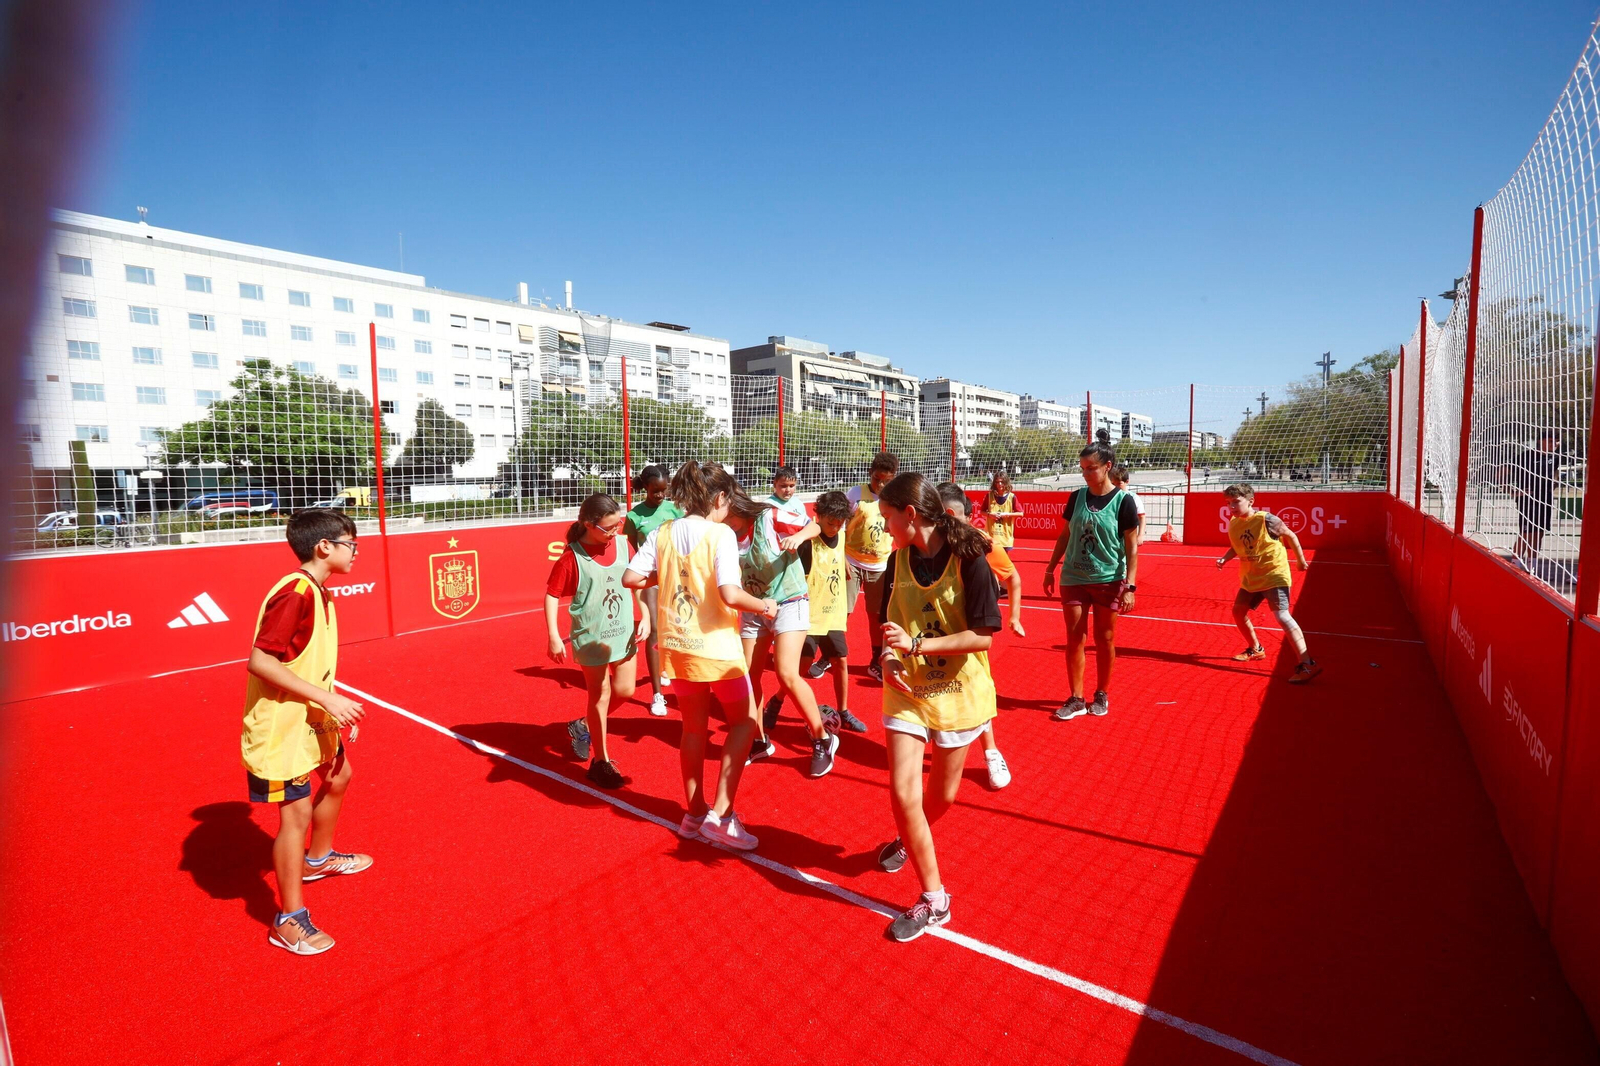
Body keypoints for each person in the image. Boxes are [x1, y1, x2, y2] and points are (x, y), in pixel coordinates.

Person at [871, 473, 1002, 942]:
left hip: (958, 691)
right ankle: (935, 899)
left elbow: (985, 635)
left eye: (887, 518)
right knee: (903, 792)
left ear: (910, 514)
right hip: (907, 691)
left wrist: (917, 645)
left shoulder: (970, 559)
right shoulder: (896, 561)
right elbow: (890, 631)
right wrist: (889, 658)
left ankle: (910, 837)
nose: (883, 528)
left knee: (938, 800)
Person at [623, 461, 774, 850]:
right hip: (718, 649)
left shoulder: (663, 531)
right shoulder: (719, 533)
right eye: (729, 500)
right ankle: (721, 816)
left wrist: (667, 575)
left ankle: (694, 812)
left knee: (692, 730)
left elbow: (631, 578)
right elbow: (729, 593)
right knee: (744, 722)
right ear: (720, 497)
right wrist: (764, 606)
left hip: (678, 646)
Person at [242, 508, 370, 955]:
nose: (357, 552)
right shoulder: (296, 592)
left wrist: (328, 707)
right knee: (293, 817)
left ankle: (317, 860)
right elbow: (261, 661)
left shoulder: (318, 592)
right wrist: (329, 699)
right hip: (281, 729)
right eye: (352, 544)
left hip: (309, 718)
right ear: (325, 547)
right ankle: (288, 919)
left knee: (339, 777)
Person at [718, 470, 839, 777]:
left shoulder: (770, 516)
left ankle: (822, 738)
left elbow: (814, 526)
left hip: (789, 601)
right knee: (748, 677)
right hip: (754, 606)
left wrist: (797, 537)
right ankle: (758, 740)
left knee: (787, 673)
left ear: (731, 504)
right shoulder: (720, 532)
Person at [546, 493, 650, 789]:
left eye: (618, 524)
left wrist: (645, 613)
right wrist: (554, 636)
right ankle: (601, 761)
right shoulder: (572, 557)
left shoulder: (621, 544)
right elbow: (552, 594)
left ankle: (581, 725)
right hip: (592, 637)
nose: (616, 531)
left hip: (623, 632)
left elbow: (636, 579)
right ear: (589, 525)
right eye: (609, 527)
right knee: (600, 694)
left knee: (626, 690)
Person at [1042, 441, 1139, 721]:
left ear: (1108, 467)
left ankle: (1102, 693)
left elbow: (1132, 547)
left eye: (1091, 468)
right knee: (1075, 639)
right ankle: (1076, 698)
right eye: (1082, 468)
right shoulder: (1077, 497)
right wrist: (1050, 568)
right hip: (1073, 578)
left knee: (1105, 638)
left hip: (1109, 580)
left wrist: (1130, 586)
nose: (1085, 473)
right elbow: (1065, 535)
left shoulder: (1124, 501)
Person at [938, 482, 1022, 789]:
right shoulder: (924, 547)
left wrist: (1013, 616)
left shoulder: (983, 544)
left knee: (976, 695)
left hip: (970, 636)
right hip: (935, 633)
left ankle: (990, 753)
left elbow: (1013, 577)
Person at [1216, 483, 1321, 683]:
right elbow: (1237, 547)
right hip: (1251, 578)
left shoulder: (1267, 520)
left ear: (1251, 501)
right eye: (1228, 503)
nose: (1231, 507)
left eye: (1236, 502)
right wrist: (1225, 558)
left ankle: (1307, 663)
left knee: (1282, 616)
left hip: (1274, 575)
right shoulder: (1235, 523)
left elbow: (1291, 535)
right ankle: (1256, 649)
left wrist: (1300, 561)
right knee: (1238, 611)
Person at [796, 490, 868, 732]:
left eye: (840, 523)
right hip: (810, 615)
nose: (835, 528)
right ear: (818, 516)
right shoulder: (807, 544)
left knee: (841, 661)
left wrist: (845, 563)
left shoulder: (842, 535)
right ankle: (777, 701)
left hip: (833, 614)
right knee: (801, 668)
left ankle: (844, 711)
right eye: (830, 523)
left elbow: (838, 550)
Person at [624, 465, 684, 717]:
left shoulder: (675, 510)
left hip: (675, 578)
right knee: (654, 631)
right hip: (651, 578)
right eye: (655, 491)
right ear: (645, 488)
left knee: (675, 625)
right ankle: (657, 695)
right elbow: (631, 544)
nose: (660, 495)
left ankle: (665, 667)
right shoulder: (634, 516)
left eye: (663, 490)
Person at [846, 451, 900, 681]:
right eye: (878, 478)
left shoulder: (897, 497)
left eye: (887, 480)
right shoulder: (857, 493)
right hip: (851, 561)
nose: (881, 484)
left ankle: (875, 659)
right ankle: (830, 655)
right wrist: (840, 558)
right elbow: (840, 524)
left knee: (876, 616)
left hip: (880, 566)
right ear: (871, 474)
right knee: (842, 611)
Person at [1505, 432, 1561, 572]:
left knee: (1539, 534)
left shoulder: (1555, 457)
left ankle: (1532, 568)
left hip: (1546, 500)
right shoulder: (1526, 456)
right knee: (1526, 534)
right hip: (1528, 500)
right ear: (1539, 441)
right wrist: (1514, 492)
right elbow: (1501, 473)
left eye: (1555, 441)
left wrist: (1554, 482)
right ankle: (1514, 566)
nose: (1553, 444)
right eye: (1549, 440)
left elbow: (1555, 472)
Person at [980, 471, 1022, 554]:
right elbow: (982, 511)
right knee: (990, 559)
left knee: (1003, 559)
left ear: (1006, 482)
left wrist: (1006, 514)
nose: (999, 484)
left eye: (1002, 482)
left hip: (1005, 535)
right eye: (997, 482)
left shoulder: (1012, 497)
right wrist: (990, 515)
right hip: (992, 534)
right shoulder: (989, 496)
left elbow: (1020, 513)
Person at [1110, 464, 1146, 542]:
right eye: (1113, 484)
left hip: (1128, 535)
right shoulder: (1109, 497)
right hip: (1112, 535)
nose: (1116, 487)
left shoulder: (1133, 497)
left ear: (1127, 482)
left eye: (1119, 484)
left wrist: (1140, 535)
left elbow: (1142, 517)